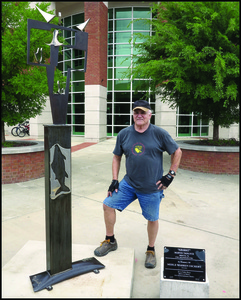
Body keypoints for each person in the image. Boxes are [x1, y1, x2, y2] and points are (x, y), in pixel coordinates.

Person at [94, 100, 182, 268]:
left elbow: (177, 151)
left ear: (150, 114)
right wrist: (114, 179)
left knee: (152, 218)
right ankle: (110, 240)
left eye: (143, 112)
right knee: (107, 205)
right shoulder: (124, 134)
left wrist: (170, 175)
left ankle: (150, 250)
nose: (139, 115)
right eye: (136, 112)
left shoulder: (159, 133)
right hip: (129, 183)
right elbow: (117, 156)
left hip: (151, 187)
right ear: (133, 115)